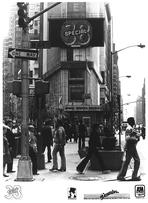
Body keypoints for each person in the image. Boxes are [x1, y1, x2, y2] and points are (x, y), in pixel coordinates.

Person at [117, 117, 141, 181]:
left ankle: (121, 176)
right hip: (130, 146)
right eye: (133, 120)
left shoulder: (131, 128)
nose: (134, 121)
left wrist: (136, 136)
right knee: (137, 160)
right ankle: (133, 176)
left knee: (127, 161)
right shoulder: (129, 128)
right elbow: (127, 138)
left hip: (131, 146)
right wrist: (136, 138)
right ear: (131, 121)